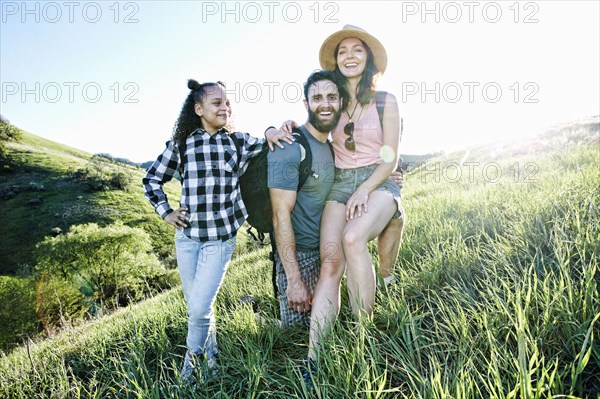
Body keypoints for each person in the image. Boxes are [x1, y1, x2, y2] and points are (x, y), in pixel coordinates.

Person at [142, 80, 289, 381]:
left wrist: (272, 129)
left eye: (227, 103)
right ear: (198, 109)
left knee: (198, 309)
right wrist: (166, 212)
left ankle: (190, 368)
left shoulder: (236, 142)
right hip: (187, 239)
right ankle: (212, 363)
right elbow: (151, 181)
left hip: (220, 239)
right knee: (199, 308)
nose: (225, 107)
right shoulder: (181, 145)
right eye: (216, 103)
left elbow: (266, 142)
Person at [304, 25, 404, 385]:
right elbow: (308, 127)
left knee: (352, 239)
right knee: (331, 261)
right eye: (343, 51)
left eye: (357, 50)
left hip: (377, 180)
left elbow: (390, 157)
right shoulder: (332, 98)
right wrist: (274, 129)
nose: (349, 55)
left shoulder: (384, 100)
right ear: (336, 60)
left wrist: (367, 189)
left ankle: (364, 336)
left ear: (368, 59)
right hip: (340, 184)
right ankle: (313, 356)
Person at [267, 70, 341, 328]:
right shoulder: (289, 147)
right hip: (300, 259)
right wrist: (294, 280)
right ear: (306, 104)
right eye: (317, 97)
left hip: (331, 253)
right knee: (295, 335)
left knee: (336, 327)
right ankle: (262, 317)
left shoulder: (335, 148)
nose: (325, 103)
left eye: (332, 96)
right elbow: (280, 216)